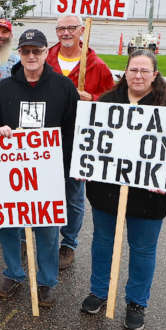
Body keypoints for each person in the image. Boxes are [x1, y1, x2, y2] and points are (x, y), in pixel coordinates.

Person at [80, 50, 166, 330]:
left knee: (143, 250)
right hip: (107, 194)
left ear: (155, 75)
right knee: (103, 243)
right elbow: (89, 140)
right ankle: (99, 291)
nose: (139, 76)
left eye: (145, 71)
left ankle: (136, 302)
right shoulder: (107, 103)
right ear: (125, 73)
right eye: (134, 70)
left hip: (150, 199)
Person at [0, 29, 78, 307]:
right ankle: (13, 273)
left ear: (46, 52)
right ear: (20, 53)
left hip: (50, 173)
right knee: (7, 226)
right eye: (25, 51)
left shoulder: (63, 87)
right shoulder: (5, 88)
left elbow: (74, 130)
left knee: (48, 230)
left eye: (36, 51)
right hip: (10, 172)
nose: (31, 56)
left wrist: (70, 168)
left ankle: (47, 281)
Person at [46, 14, 113, 269]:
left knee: (73, 195)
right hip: (48, 137)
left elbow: (113, 104)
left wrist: (92, 99)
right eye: (61, 28)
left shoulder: (96, 65)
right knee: (46, 190)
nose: (65, 32)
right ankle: (45, 238)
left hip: (78, 140)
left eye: (71, 28)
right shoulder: (46, 58)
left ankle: (68, 243)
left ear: (82, 30)